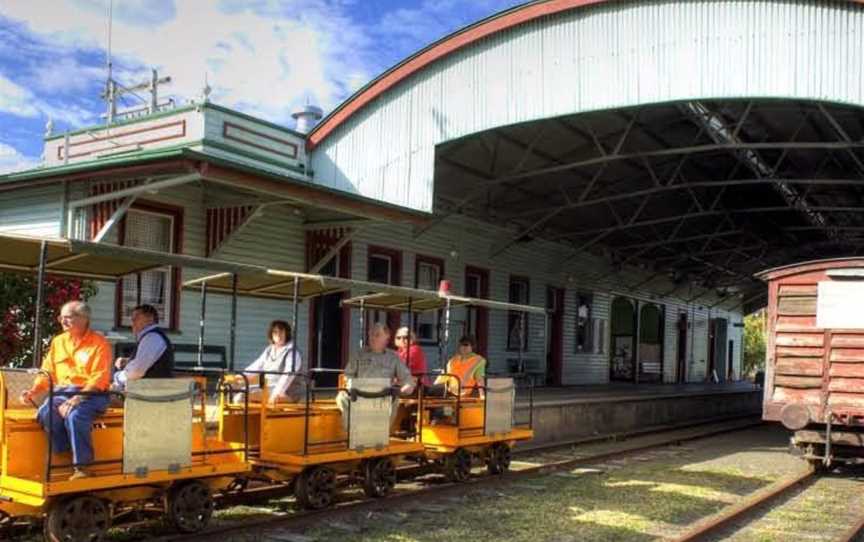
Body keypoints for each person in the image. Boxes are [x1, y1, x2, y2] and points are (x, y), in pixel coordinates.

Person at [20, 301, 111, 480]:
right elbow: (48, 371)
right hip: (62, 392)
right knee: (45, 412)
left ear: (84, 319)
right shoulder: (58, 342)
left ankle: (83, 468)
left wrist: (77, 398)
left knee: (75, 416)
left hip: (92, 393)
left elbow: (100, 377)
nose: (62, 320)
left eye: (67, 317)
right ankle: (65, 453)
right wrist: (34, 390)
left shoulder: (99, 343)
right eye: (61, 317)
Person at [337, 323, 414, 431]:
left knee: (395, 399)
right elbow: (348, 375)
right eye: (371, 335)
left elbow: (407, 378)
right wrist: (350, 383)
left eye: (377, 335)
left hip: (382, 396)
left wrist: (408, 386)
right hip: (360, 395)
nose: (372, 337)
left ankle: (380, 433)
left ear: (387, 337)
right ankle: (353, 432)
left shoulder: (393, 357)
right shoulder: (359, 354)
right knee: (342, 397)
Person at [237, 320, 305, 405]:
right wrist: (239, 377)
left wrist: (276, 394)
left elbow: (288, 376)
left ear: (286, 333)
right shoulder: (269, 350)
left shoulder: (292, 352)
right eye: (275, 333)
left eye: (281, 332)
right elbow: (257, 365)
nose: (279, 335)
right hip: (268, 387)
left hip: (287, 392)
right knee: (238, 392)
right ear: (271, 335)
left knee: (242, 396)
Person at [113, 304, 173, 389]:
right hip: (150, 392)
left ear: (150, 318)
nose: (132, 323)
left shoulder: (152, 337)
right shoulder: (151, 337)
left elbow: (137, 371)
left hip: (151, 395)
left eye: (136, 318)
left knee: (105, 397)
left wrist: (118, 377)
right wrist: (127, 361)